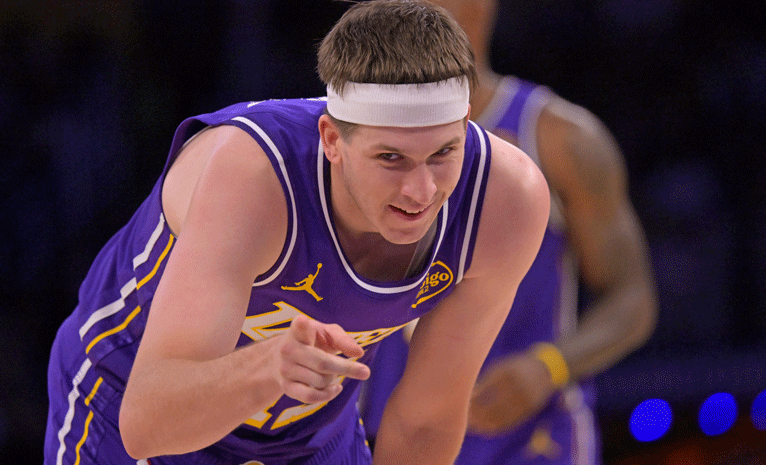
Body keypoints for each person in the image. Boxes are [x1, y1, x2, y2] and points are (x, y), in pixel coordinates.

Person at [43, 1, 551, 464]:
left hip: (308, 432)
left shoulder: (506, 200)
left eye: (443, 153)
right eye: (391, 159)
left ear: (465, 124)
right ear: (332, 139)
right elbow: (146, 425)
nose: (421, 191)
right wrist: (265, 369)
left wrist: (278, 373)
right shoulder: (252, 176)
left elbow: (426, 420)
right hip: (129, 395)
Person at [359, 0, 658, 464]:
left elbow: (633, 301)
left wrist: (549, 366)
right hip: (394, 443)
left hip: (530, 441)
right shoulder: (348, 138)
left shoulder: (559, 137)